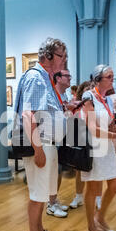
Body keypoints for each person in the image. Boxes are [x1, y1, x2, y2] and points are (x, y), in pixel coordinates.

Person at [16, 37, 67, 231]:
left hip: (48, 143)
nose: (64, 61)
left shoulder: (44, 78)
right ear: (47, 56)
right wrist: (38, 150)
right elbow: (28, 115)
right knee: (37, 194)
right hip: (41, 144)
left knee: (43, 193)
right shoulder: (36, 78)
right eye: (61, 56)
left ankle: (39, 230)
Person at [81, 65, 116, 231]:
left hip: (107, 147)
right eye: (109, 77)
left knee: (115, 186)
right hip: (94, 147)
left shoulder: (108, 99)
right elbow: (92, 128)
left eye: (112, 77)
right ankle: (91, 226)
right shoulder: (88, 96)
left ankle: (100, 217)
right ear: (98, 79)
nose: (112, 80)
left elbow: (113, 127)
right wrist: (113, 135)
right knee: (94, 189)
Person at [45, 69, 73, 218]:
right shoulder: (51, 94)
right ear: (58, 78)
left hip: (60, 139)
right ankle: (50, 204)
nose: (70, 78)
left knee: (58, 171)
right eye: (67, 76)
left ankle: (53, 200)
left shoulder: (63, 95)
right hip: (49, 139)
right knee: (52, 173)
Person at [69, 81, 92, 210]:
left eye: (90, 89)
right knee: (79, 170)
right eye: (86, 89)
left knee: (95, 170)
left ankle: (97, 197)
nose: (88, 91)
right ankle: (78, 196)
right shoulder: (77, 106)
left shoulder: (96, 105)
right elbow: (72, 123)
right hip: (80, 139)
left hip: (94, 139)